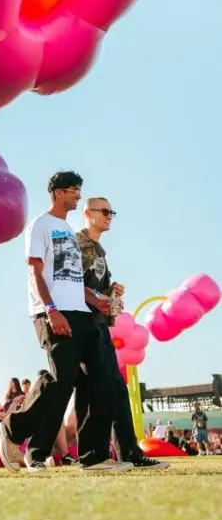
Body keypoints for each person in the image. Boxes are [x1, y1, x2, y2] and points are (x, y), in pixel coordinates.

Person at [0, 171, 131, 475]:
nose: (78, 196)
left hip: (81, 313)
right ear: (58, 193)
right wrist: (52, 310)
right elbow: (36, 272)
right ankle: (13, 429)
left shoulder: (69, 232)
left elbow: (71, 277)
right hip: (53, 312)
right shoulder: (40, 226)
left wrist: (96, 299)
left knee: (102, 381)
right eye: (73, 191)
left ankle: (94, 457)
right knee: (61, 382)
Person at [75, 197, 168, 470]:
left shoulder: (100, 251)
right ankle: (94, 456)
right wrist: (99, 299)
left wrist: (111, 293)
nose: (109, 216)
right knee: (93, 390)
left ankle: (130, 452)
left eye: (111, 212)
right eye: (104, 211)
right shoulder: (77, 244)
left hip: (100, 325)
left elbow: (97, 291)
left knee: (117, 388)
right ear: (88, 213)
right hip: (82, 325)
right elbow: (70, 284)